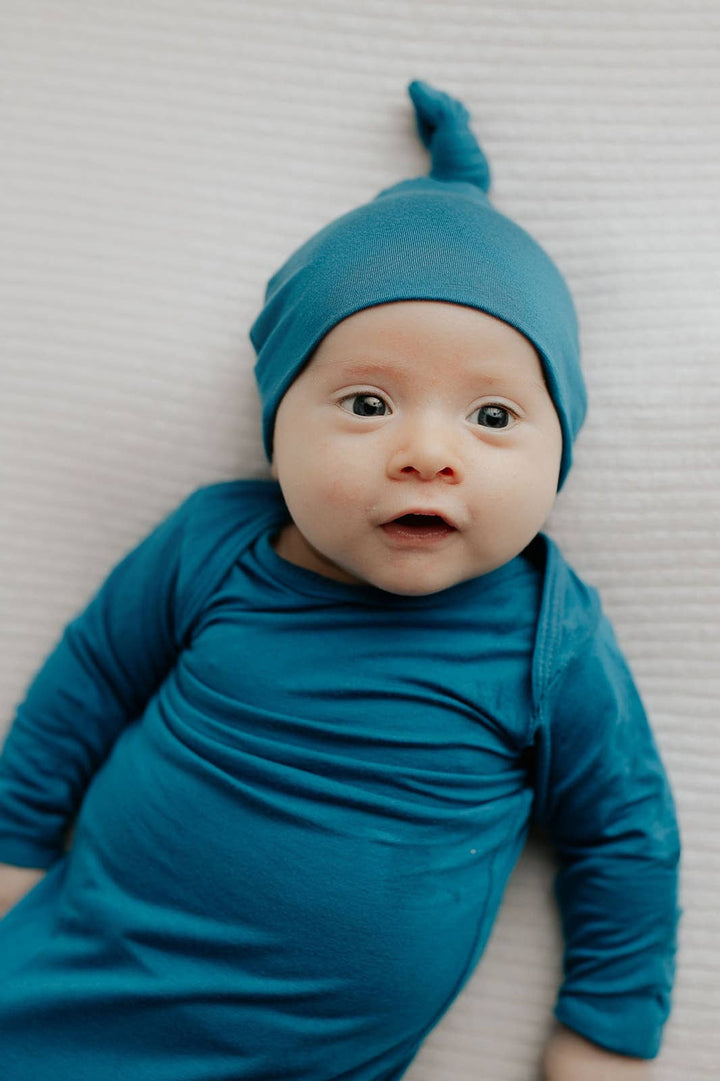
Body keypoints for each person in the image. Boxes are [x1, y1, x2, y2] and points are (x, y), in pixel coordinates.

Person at [0, 80, 680, 1080]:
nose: (427, 453)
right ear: (279, 426)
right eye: (367, 402)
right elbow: (91, 680)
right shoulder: (216, 544)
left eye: (491, 418)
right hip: (77, 977)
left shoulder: (548, 633)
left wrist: (604, 1032)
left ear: (560, 453)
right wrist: (14, 835)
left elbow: (625, 833)